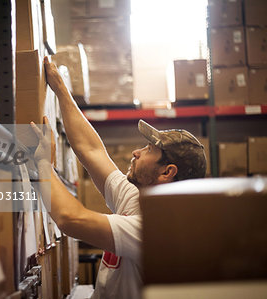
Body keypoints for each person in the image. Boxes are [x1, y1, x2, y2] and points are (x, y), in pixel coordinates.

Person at [30, 57, 207, 299]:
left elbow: (70, 219)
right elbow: (91, 150)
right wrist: (60, 89)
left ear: (167, 172)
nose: (136, 152)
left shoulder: (158, 228)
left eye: (148, 151)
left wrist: (43, 165)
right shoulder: (136, 196)